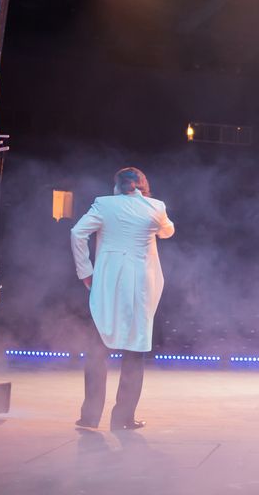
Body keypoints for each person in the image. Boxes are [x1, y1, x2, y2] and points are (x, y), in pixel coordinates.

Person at [70, 167, 174, 430]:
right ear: (142, 186)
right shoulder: (155, 207)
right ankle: (123, 418)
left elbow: (77, 233)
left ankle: (90, 417)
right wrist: (148, 204)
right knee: (134, 351)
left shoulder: (104, 205)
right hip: (140, 286)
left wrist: (85, 271)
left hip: (108, 283)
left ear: (116, 185)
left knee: (97, 349)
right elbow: (167, 232)